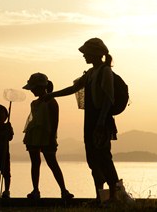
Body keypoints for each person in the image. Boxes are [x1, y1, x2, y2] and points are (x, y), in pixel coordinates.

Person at [42, 38, 119, 202]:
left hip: (101, 121)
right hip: (90, 121)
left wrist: (101, 122)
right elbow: (73, 89)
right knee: (92, 160)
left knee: (104, 157)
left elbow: (108, 99)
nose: (84, 56)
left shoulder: (105, 72)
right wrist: (52, 94)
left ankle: (113, 195)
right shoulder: (91, 74)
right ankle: (100, 196)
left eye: (86, 53)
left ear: (94, 54)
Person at [22, 72, 74, 200]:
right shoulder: (34, 103)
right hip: (34, 135)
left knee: (52, 163)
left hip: (47, 136)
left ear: (40, 87)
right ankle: (35, 190)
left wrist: (52, 137)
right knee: (35, 163)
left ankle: (63, 190)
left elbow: (55, 121)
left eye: (33, 88)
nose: (32, 91)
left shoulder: (51, 101)